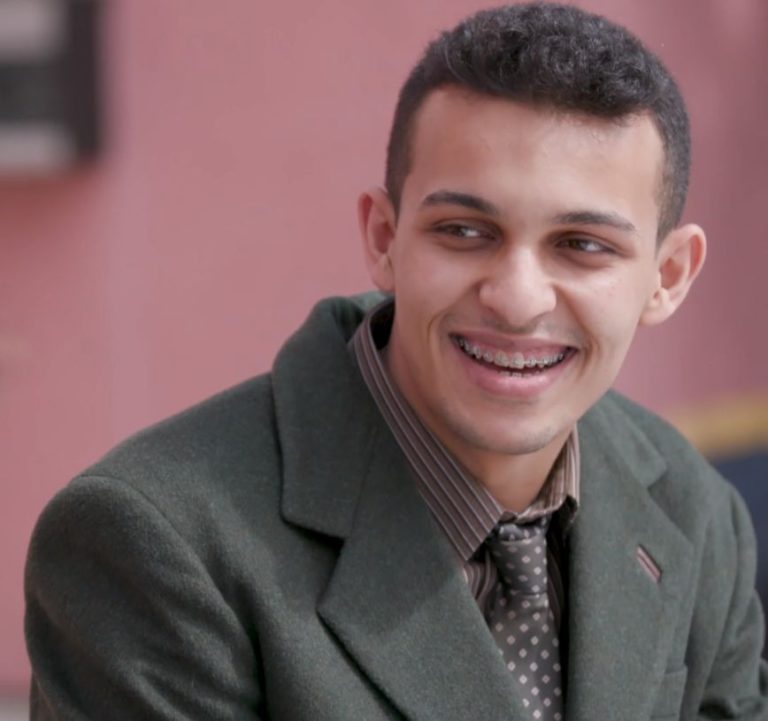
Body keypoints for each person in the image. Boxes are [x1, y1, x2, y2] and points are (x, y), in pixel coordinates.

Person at [25, 3, 768, 720]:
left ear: (668, 276)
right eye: (465, 231)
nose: (515, 297)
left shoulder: (695, 513)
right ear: (384, 237)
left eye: (582, 245)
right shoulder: (154, 545)